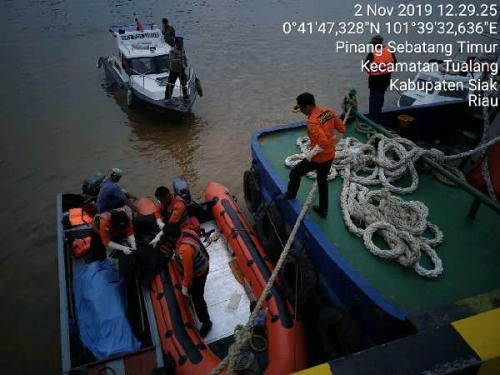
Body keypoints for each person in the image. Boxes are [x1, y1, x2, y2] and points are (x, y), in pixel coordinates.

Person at [278, 93, 345, 217]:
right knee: (322, 181)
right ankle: (323, 209)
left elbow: (323, 141)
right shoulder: (328, 111)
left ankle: (291, 194)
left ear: (308, 107)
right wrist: (334, 142)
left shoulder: (312, 121)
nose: (302, 112)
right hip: (330, 155)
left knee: (295, 173)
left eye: (302, 109)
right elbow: (341, 128)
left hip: (318, 158)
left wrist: (311, 154)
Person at [165, 223, 212, 338]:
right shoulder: (188, 232)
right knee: (196, 293)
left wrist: (185, 287)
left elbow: (189, 273)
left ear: (171, 238)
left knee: (198, 299)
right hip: (204, 264)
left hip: (198, 274)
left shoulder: (184, 250)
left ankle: (206, 322)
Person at [364, 34, 397, 123]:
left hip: (375, 82)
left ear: (374, 44)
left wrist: (372, 73)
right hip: (386, 80)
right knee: (381, 98)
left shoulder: (372, 54)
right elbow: (394, 64)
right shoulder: (390, 51)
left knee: (374, 101)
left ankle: (373, 122)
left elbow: (365, 67)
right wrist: (386, 71)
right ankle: (378, 118)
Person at [165, 37, 189, 101]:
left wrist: (186, 63)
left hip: (181, 69)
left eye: (182, 42)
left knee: (184, 83)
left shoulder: (183, 50)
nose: (182, 44)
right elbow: (171, 60)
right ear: (177, 43)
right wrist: (178, 60)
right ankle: (167, 97)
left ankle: (185, 95)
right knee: (171, 84)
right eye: (180, 42)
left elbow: (184, 57)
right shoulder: (172, 51)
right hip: (174, 70)